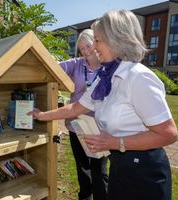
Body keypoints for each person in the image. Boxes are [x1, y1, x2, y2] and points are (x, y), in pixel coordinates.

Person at [28, 10, 178, 200]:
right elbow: (76, 108)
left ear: (116, 38)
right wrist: (41, 115)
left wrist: (115, 143)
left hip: (144, 174)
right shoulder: (107, 78)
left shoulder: (138, 77)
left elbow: (168, 133)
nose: (94, 47)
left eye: (97, 40)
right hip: (120, 166)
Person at [59, 29, 108, 200]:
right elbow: (54, 68)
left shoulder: (108, 66)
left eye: (88, 46)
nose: (86, 52)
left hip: (99, 127)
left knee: (99, 169)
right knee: (82, 168)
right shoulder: (77, 64)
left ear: (96, 43)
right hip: (76, 123)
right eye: (81, 49)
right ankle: (85, 197)